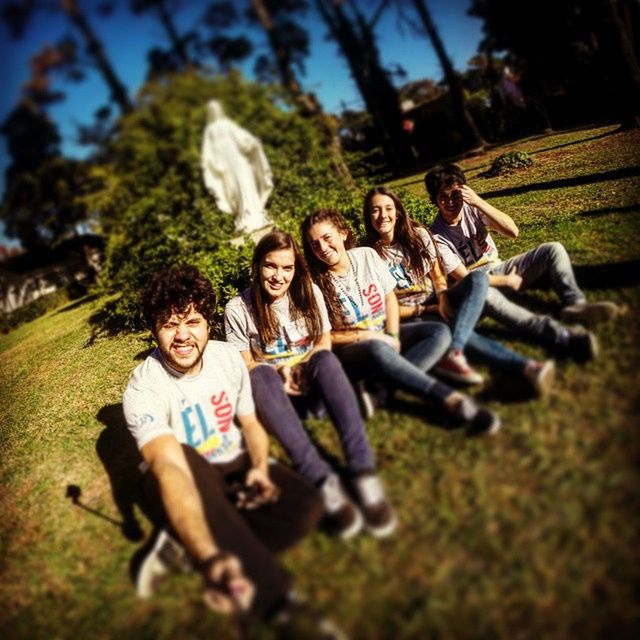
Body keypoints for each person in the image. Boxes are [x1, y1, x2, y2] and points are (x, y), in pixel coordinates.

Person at [123, 264, 324, 624]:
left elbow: (250, 424)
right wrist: (211, 558)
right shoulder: (143, 387)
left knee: (307, 507)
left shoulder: (227, 357)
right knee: (184, 459)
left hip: (232, 463)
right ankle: (275, 602)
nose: (182, 336)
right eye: (169, 325)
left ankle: (191, 534)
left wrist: (261, 469)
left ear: (208, 322)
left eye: (192, 321)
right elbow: (168, 465)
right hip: (184, 473)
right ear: (154, 329)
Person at [224, 230, 396, 540]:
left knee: (326, 360)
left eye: (287, 268)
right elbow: (247, 362)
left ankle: (363, 471)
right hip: (278, 399)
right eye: (270, 266)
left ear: (296, 269)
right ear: (257, 266)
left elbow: (323, 340)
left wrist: (304, 365)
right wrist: (280, 370)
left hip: (314, 387)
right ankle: (322, 480)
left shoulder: (309, 293)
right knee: (257, 375)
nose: (278, 276)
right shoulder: (238, 309)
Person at [301, 209, 501, 436]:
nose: (323, 248)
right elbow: (326, 338)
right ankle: (452, 400)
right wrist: (372, 336)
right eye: (315, 245)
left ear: (343, 233)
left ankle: (381, 389)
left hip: (385, 334)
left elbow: (389, 298)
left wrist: (394, 336)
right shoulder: (313, 284)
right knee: (377, 347)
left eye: (327, 238)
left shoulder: (366, 255)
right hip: (353, 349)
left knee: (439, 332)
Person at [362, 186, 555, 395]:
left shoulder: (417, 235)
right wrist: (430, 310)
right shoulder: (367, 254)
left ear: (398, 211)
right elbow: (385, 307)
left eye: (388, 208)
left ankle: (454, 350)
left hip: (439, 298)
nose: (383, 216)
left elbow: (437, 276)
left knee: (478, 278)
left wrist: (443, 298)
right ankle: (526, 366)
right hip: (412, 314)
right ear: (368, 216)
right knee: (457, 332)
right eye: (375, 210)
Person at [426, 164, 620, 360]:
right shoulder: (436, 236)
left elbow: (513, 232)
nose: (451, 202)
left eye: (455, 195)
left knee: (552, 249)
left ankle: (576, 305)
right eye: (443, 197)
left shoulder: (473, 208)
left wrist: (478, 202)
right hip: (478, 288)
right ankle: (560, 335)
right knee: (487, 294)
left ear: (465, 191)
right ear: (434, 200)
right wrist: (507, 281)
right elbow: (467, 279)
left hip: (499, 268)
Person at [201, 99, 273, 234]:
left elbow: (242, 138)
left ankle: (255, 216)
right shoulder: (209, 130)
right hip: (226, 167)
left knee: (247, 187)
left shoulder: (227, 124)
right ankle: (243, 218)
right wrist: (211, 164)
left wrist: (252, 143)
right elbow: (207, 151)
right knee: (233, 191)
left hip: (239, 162)